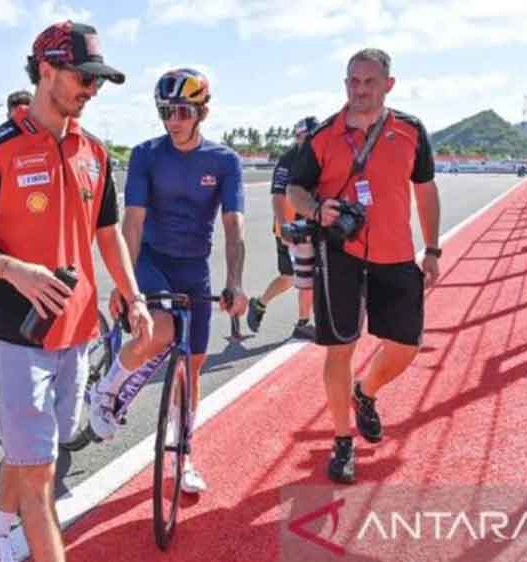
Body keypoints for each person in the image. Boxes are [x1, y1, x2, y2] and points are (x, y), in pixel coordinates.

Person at [0, 21, 153, 562]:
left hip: (77, 335)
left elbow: (108, 233)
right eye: (84, 77)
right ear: (47, 70)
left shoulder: (95, 152)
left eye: (98, 80)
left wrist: (134, 295)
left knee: (34, 451)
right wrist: (13, 270)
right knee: (40, 478)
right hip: (19, 337)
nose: (92, 90)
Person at [88, 68, 249, 495]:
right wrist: (125, 284)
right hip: (151, 260)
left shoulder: (224, 161)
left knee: (192, 367)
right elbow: (133, 222)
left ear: (202, 113)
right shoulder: (146, 154)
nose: (172, 120)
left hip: (194, 267)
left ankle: (185, 456)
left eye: (182, 111)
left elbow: (234, 226)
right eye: (165, 111)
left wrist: (234, 282)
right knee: (160, 329)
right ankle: (106, 391)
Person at [284, 48, 440, 484]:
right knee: (340, 349)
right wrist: (317, 210)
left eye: (370, 82)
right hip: (341, 254)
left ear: (388, 85)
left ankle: (366, 392)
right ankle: (342, 441)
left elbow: (426, 190)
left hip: (396, 254)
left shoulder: (411, 130)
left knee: (405, 347)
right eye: (353, 81)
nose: (360, 90)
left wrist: (432, 249)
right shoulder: (322, 136)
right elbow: (296, 190)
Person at [247, 116, 319, 340]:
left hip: (310, 227)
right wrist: (284, 226)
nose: (309, 141)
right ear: (297, 137)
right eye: (305, 137)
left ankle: (265, 306)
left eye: (313, 136)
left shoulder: (320, 156)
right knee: (294, 277)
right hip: (290, 230)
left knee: (298, 277)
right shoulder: (288, 160)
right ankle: (301, 322)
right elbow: (278, 196)